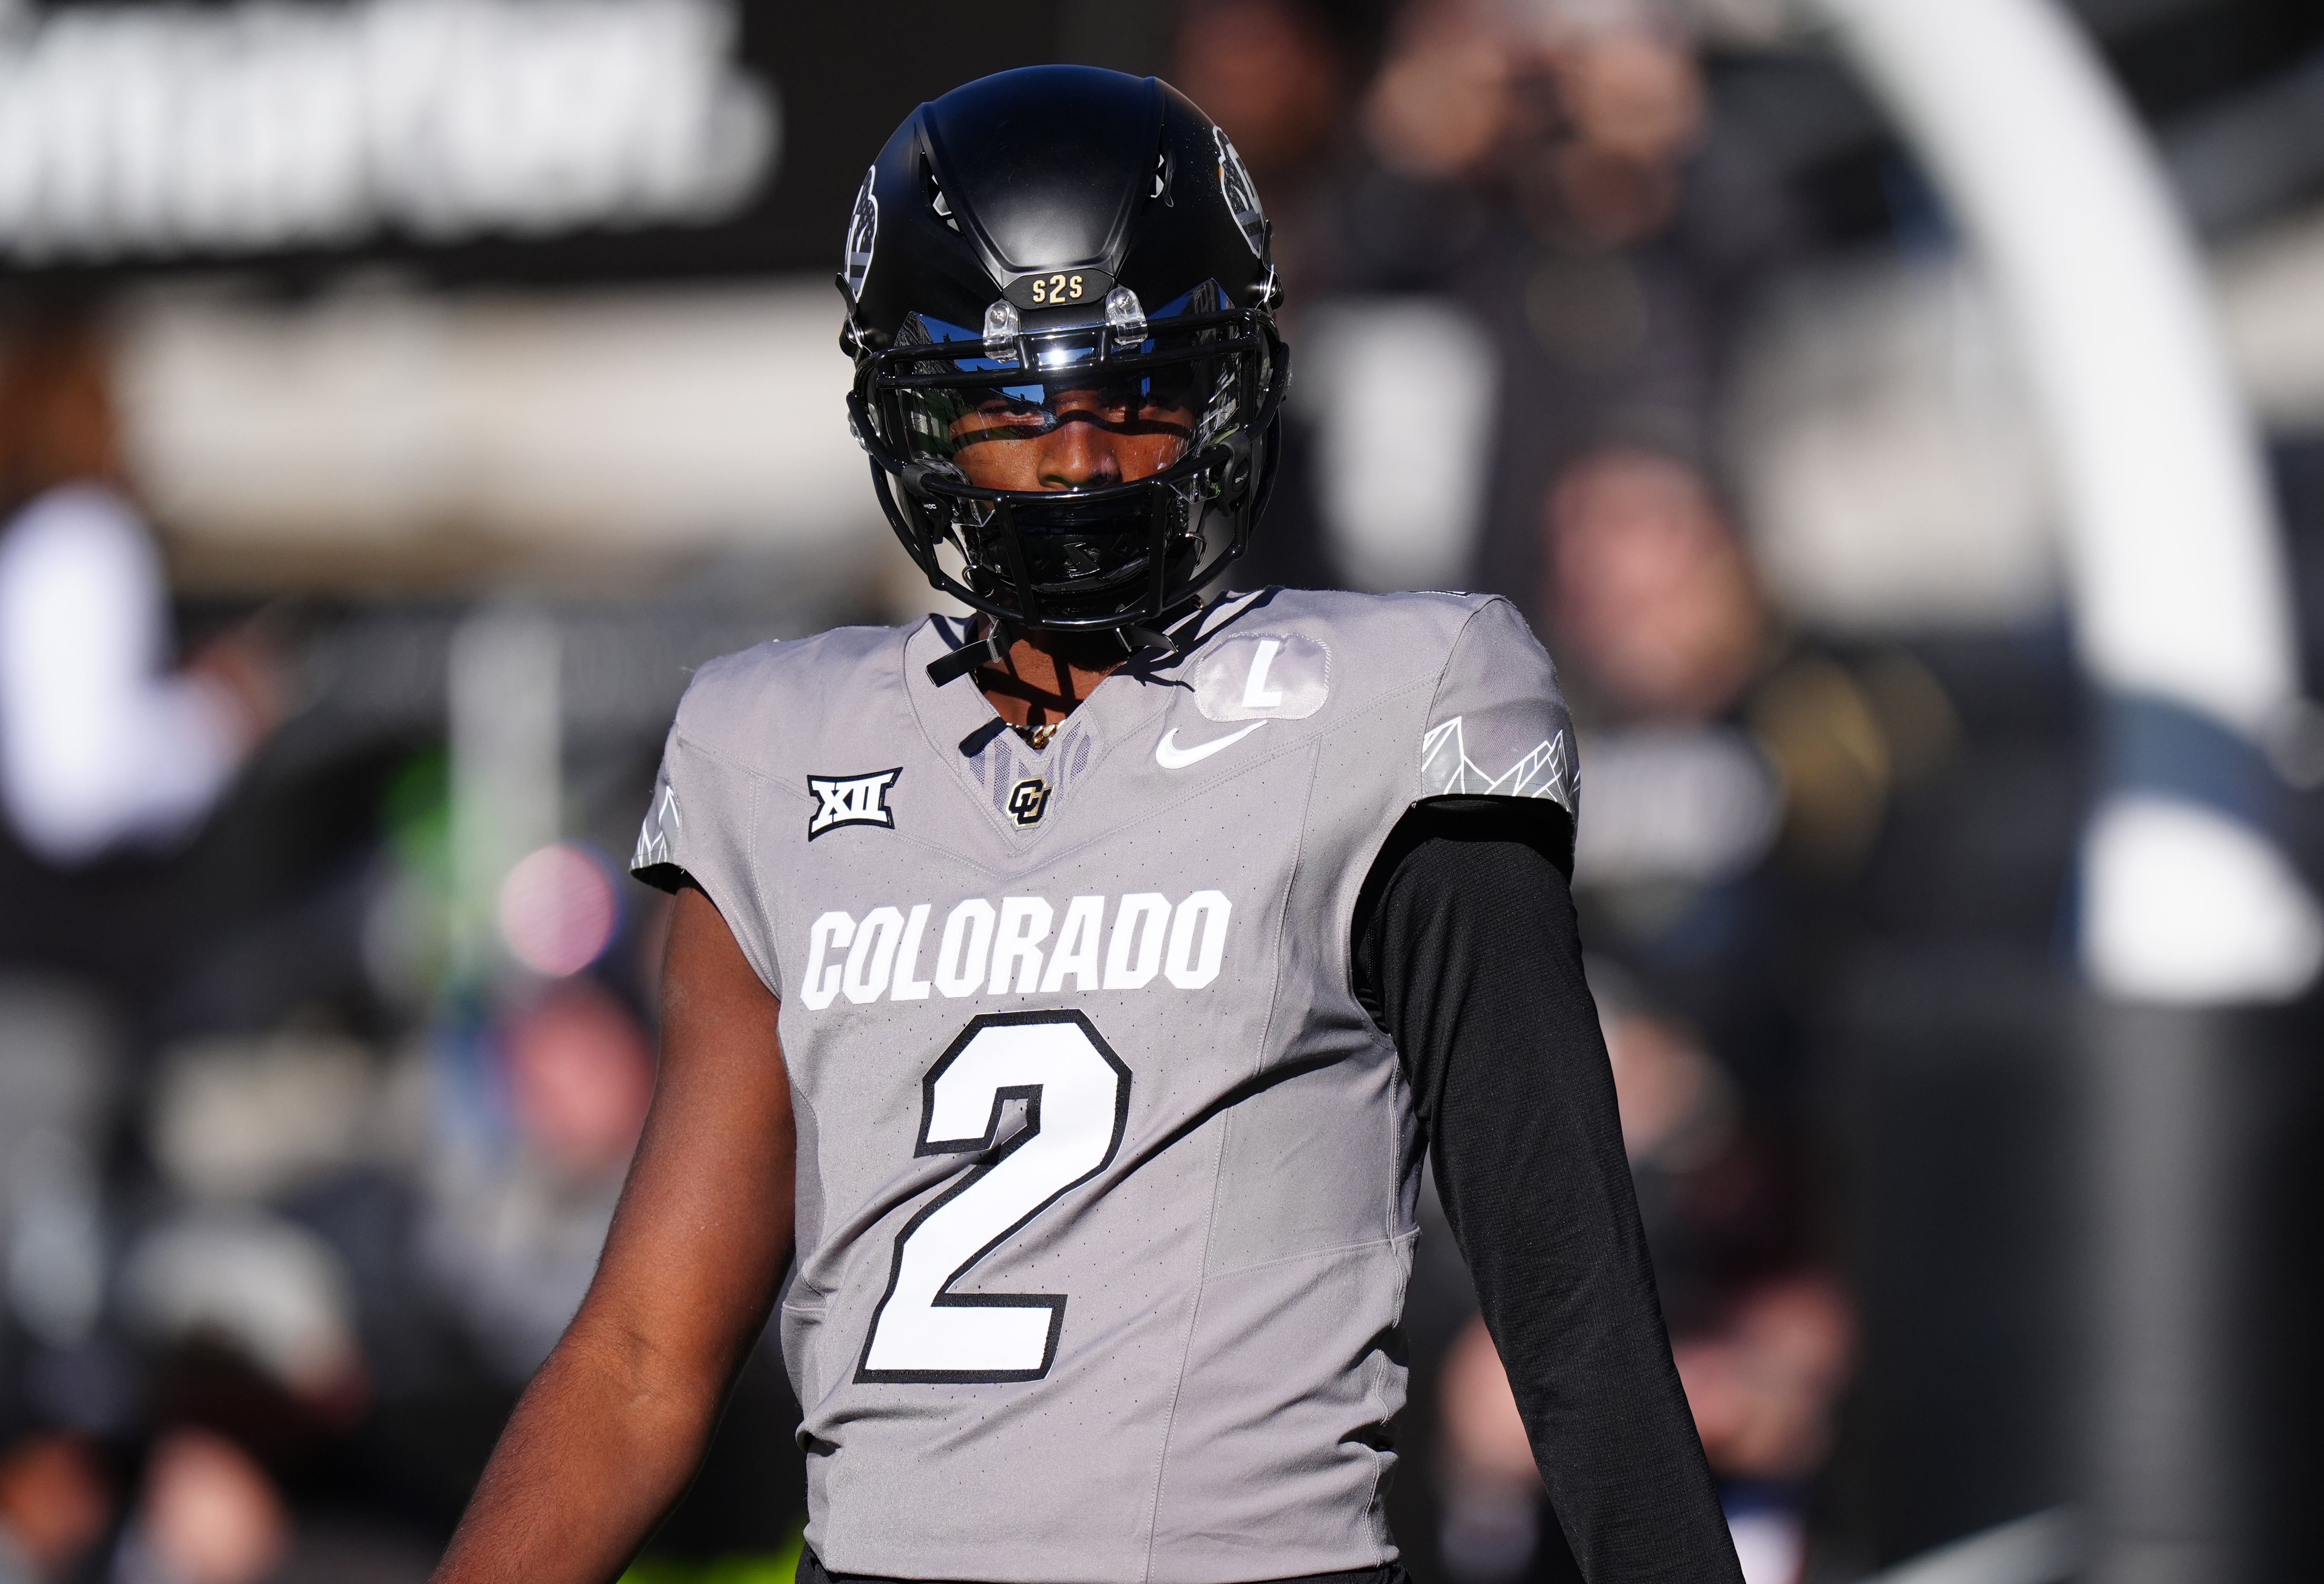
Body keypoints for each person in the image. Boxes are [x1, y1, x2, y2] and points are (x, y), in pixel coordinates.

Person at [430, 66, 1739, 1584]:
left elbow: (1566, 1294)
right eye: (1008, 403)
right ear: (910, 416)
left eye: (1133, 393)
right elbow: (647, 1349)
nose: (1075, 458)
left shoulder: (1397, 702)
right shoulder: (770, 743)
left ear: (1230, 386)